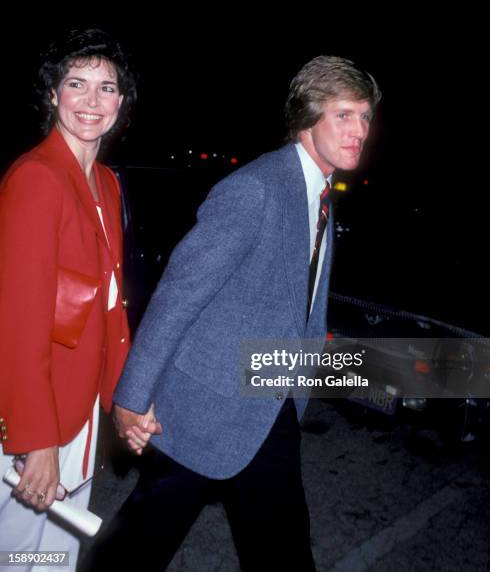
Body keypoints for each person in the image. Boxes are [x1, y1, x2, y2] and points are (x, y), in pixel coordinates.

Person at [88, 55, 381, 571]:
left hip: (269, 404)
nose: (360, 130)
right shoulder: (256, 188)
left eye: (365, 117)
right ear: (309, 116)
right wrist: (132, 398)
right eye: (344, 115)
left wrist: (297, 393)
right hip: (207, 406)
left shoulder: (319, 193)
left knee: (282, 550)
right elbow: (179, 293)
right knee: (136, 548)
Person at [0, 28, 142, 571]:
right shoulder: (37, 179)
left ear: (120, 102)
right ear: (52, 94)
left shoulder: (104, 181)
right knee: (18, 552)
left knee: (59, 553)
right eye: (76, 83)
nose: (91, 100)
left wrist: (125, 398)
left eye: (106, 87)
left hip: (80, 412)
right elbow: (19, 322)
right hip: (40, 414)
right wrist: (36, 441)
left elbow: (108, 309)